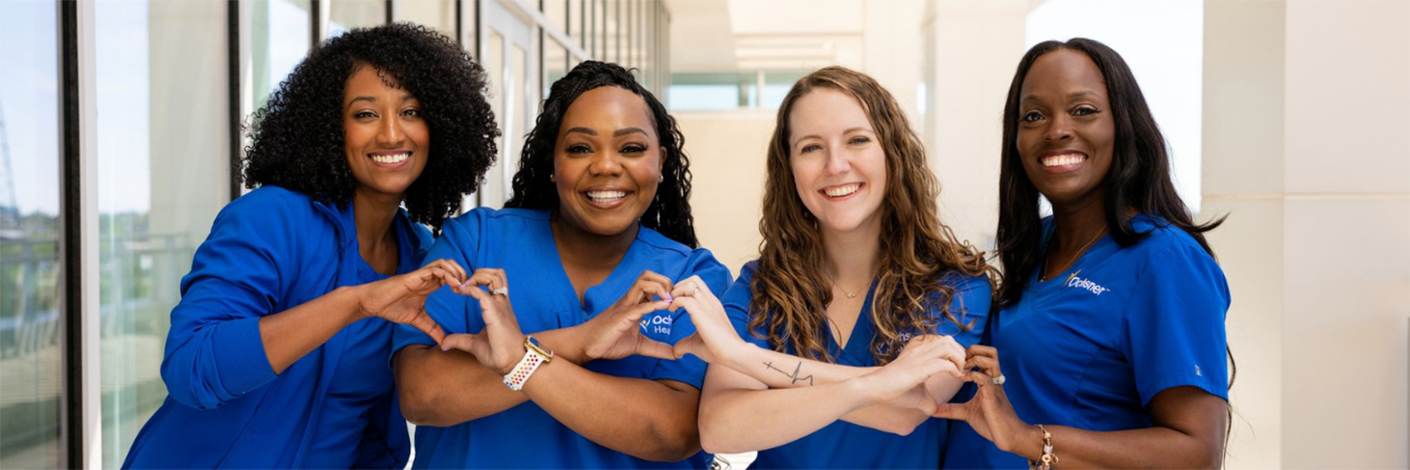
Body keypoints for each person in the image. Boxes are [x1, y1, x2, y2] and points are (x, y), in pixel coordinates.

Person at [121, 23, 497, 469]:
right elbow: (191, 366)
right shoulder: (272, 218)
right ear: (329, 128)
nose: (392, 134)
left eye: (411, 112)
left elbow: (371, 424)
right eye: (365, 114)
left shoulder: (417, 254)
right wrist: (353, 303)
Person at [391, 61, 731, 469]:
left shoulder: (692, 277)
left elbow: (671, 432)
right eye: (580, 148)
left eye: (631, 148)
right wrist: (582, 340)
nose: (606, 165)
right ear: (552, 163)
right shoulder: (477, 242)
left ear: (660, 161)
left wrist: (518, 357)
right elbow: (423, 396)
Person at [666, 66, 993, 469]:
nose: (835, 165)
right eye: (811, 147)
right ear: (789, 169)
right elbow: (721, 427)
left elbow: (908, 410)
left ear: (893, 153)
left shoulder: (953, 286)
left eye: (857, 140)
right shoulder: (762, 285)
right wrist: (879, 384)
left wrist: (745, 357)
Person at [936, 38, 1231, 469]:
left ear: (1123, 125)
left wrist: (1026, 438)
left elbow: (1196, 454)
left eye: (1083, 110)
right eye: (1034, 116)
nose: (1056, 130)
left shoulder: (1163, 259)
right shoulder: (1034, 244)